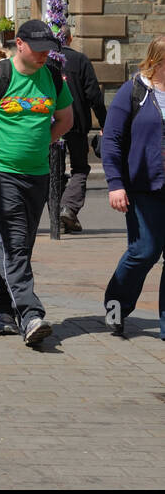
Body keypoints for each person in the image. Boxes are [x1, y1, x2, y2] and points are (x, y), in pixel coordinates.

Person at [0, 19, 73, 348]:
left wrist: (43, 142)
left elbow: (66, 119)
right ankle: (31, 314)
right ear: (19, 44)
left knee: (20, 245)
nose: (44, 55)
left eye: (48, 49)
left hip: (37, 172)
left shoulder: (51, 77)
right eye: (38, 49)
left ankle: (3, 307)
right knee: (14, 243)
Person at [101, 34, 165, 339]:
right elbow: (111, 140)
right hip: (143, 185)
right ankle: (115, 307)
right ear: (157, 61)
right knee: (144, 251)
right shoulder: (135, 90)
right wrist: (115, 184)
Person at [53, 27, 105, 234]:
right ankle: (68, 209)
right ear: (70, 38)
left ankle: (60, 215)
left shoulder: (46, 61)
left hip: (52, 123)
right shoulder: (81, 60)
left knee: (53, 171)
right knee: (80, 168)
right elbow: (94, 95)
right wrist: (105, 123)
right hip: (76, 123)